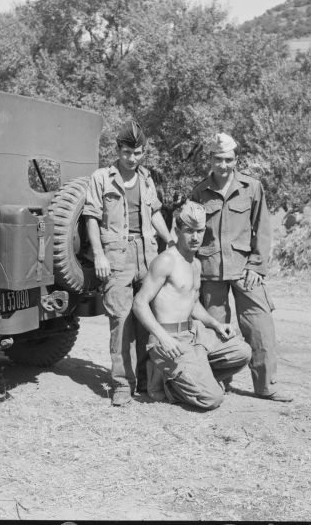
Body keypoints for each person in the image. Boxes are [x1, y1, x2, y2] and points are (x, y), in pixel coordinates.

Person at [191, 133, 292, 402]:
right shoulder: (199, 192)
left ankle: (266, 386)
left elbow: (263, 228)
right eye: (218, 159)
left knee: (260, 327)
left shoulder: (252, 187)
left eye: (228, 159)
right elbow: (192, 231)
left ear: (236, 160)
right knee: (215, 329)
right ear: (210, 160)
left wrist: (257, 266)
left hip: (246, 270)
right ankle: (219, 382)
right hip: (210, 269)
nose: (223, 165)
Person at [84, 120, 174, 406]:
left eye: (137, 153)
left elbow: (156, 212)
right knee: (120, 320)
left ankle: (147, 380)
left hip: (147, 256)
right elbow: (91, 217)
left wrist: (169, 238)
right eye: (126, 153)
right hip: (117, 256)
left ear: (143, 152)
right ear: (118, 150)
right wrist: (98, 253)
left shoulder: (147, 178)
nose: (132, 159)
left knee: (147, 319)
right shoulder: (101, 178)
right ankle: (122, 383)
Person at [132, 201, 252, 410]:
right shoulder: (166, 260)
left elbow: (192, 302)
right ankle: (162, 381)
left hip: (193, 335)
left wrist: (215, 324)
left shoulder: (195, 263)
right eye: (189, 231)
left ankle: (195, 374)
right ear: (177, 231)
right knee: (212, 399)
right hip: (169, 341)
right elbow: (139, 303)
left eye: (199, 231)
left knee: (242, 352)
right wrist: (163, 338)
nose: (195, 237)